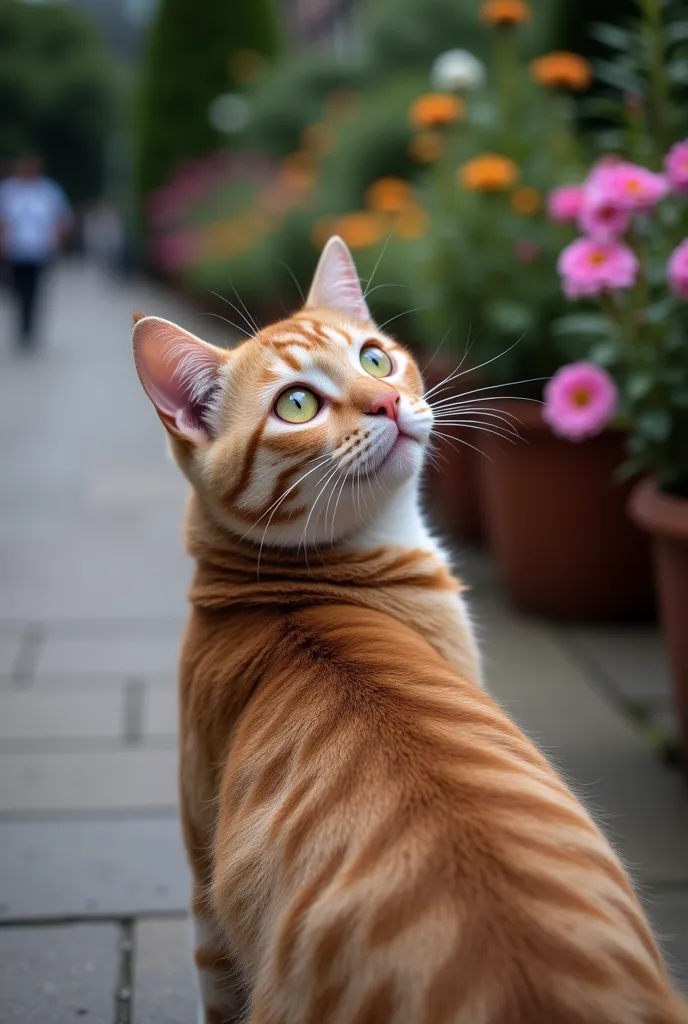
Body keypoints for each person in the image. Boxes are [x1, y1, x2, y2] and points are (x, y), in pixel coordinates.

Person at [0, 155, 72, 350]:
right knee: (18, 290)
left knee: (35, 291)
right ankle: (21, 325)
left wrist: (58, 243)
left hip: (41, 251)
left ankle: (30, 329)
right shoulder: (9, 191)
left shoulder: (49, 190)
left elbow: (61, 218)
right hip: (16, 251)